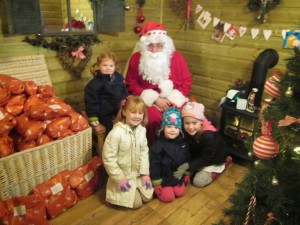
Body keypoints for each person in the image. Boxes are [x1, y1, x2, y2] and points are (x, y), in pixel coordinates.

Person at [125, 21, 192, 146]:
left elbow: (187, 82)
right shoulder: (136, 59)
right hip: (148, 101)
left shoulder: (177, 57)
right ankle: (153, 151)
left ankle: (179, 150)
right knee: (153, 120)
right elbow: (131, 84)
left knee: (181, 117)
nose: (155, 50)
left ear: (165, 45)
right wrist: (155, 99)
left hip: (174, 99)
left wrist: (172, 101)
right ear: (145, 46)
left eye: (159, 45)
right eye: (150, 45)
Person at [102, 95, 153, 209]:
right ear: (124, 112)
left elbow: (145, 152)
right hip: (122, 176)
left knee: (148, 197)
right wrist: (120, 179)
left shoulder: (142, 130)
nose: (137, 116)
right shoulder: (115, 133)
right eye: (133, 112)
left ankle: (137, 189)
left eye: (140, 113)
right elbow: (108, 159)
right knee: (137, 204)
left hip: (137, 173)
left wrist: (145, 173)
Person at [173, 102, 232, 187]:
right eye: (187, 123)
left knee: (198, 182)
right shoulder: (187, 131)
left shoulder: (209, 136)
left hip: (213, 161)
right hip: (199, 157)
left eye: (194, 123)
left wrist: (188, 165)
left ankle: (223, 165)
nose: (190, 127)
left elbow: (206, 159)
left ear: (201, 122)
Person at [150, 107, 190, 203]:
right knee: (169, 198)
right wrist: (156, 182)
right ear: (163, 128)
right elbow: (154, 165)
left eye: (176, 127)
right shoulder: (158, 145)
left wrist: (186, 172)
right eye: (169, 127)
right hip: (164, 178)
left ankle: (174, 186)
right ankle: (164, 189)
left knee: (181, 193)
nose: (172, 130)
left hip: (177, 176)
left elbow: (186, 158)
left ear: (180, 130)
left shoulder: (182, 143)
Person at [84, 51, 128, 135]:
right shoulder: (94, 84)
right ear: (98, 66)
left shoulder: (119, 79)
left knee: (126, 129)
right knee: (112, 133)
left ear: (115, 66)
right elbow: (91, 102)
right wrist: (94, 120)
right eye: (105, 65)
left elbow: (124, 92)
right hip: (104, 116)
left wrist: (126, 100)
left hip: (120, 112)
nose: (108, 68)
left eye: (111, 65)